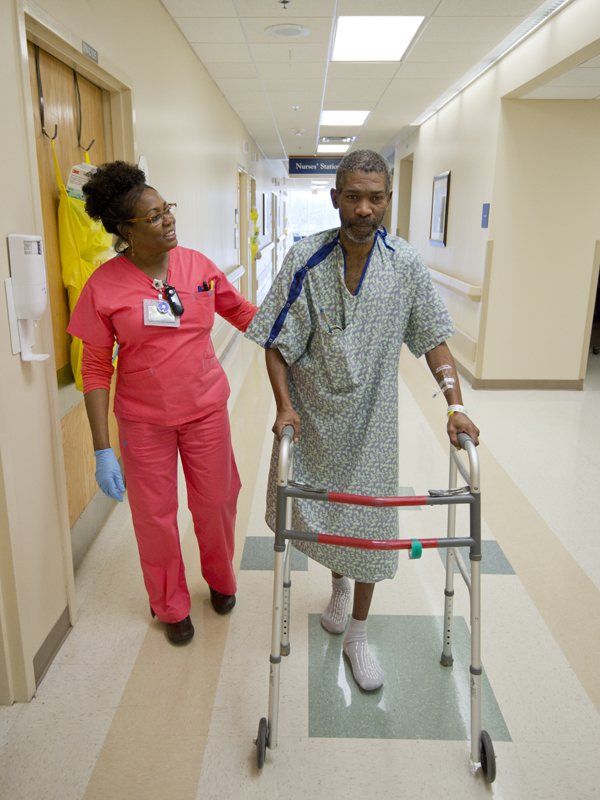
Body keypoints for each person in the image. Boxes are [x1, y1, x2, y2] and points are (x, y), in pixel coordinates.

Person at [245, 149, 479, 690]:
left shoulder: (405, 266)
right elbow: (275, 345)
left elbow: (434, 340)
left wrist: (456, 405)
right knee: (328, 517)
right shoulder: (305, 259)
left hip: (373, 423)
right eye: (353, 197)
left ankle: (357, 634)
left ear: (388, 201)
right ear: (335, 200)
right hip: (315, 419)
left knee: (370, 525)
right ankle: (338, 586)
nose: (364, 209)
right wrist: (284, 406)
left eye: (376, 198)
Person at [67, 161, 257, 644]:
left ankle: (220, 578)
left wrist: (300, 334)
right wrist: (101, 448)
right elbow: (93, 368)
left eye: (166, 209)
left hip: (205, 409)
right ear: (124, 231)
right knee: (154, 518)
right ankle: (170, 605)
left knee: (216, 502)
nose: (167, 220)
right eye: (152, 217)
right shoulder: (104, 286)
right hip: (143, 421)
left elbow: (244, 314)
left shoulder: (198, 267)